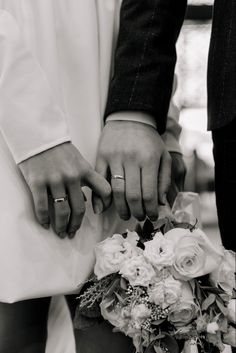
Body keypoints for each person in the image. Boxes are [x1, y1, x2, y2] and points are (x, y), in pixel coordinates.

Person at [0, 1, 185, 352]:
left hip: (113, 104)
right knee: (13, 318)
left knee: (126, 313)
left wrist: (161, 119)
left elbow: (148, 17)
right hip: (13, 72)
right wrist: (35, 134)